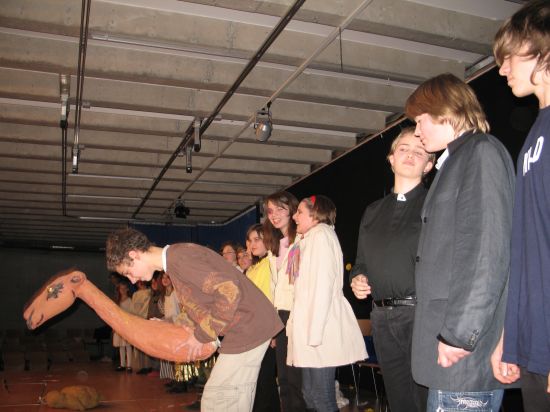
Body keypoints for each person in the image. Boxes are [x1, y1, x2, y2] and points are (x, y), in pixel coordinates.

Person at [23, 228, 284, 412]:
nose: (133, 280)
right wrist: (177, 325)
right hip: (246, 330)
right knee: (224, 399)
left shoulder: (182, 258)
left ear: (134, 255)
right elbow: (207, 302)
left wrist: (202, 335)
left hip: (249, 329)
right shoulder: (177, 264)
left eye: (128, 272)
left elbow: (229, 291)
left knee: (220, 400)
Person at [405, 73, 515, 411]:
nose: (417, 131)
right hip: (452, 354)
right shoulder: (458, 160)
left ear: (446, 111)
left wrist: (459, 334)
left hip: (463, 355)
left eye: (420, 120)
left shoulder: (480, 153)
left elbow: (486, 252)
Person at [491, 1, 550, 409]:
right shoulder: (534, 135)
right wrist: (508, 337)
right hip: (532, 340)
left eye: (508, 57)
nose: (501, 69)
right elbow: (527, 247)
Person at [350, 127, 434, 412]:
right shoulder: (372, 211)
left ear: (429, 165)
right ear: (391, 159)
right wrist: (357, 278)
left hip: (420, 316)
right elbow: (361, 261)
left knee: (426, 400)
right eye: (403, 149)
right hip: (382, 318)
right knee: (400, 403)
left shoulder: (435, 204)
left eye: (419, 151)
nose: (410, 154)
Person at [288, 195, 367, 412]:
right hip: (310, 329)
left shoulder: (321, 236)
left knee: (321, 397)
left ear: (315, 215)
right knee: (310, 395)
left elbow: (322, 287)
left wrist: (314, 334)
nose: (294, 217)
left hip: (319, 330)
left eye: (300, 212)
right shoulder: (308, 239)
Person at [262, 191, 307, 411]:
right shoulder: (275, 246)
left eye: (280, 209)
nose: (274, 215)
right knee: (284, 379)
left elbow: (302, 282)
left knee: (296, 380)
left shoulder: (302, 240)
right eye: (270, 211)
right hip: (280, 315)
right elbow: (274, 288)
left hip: (297, 314)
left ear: (292, 210)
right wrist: (273, 326)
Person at [245, 223, 280, 412]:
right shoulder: (253, 268)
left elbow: (272, 299)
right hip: (252, 331)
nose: (252, 244)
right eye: (250, 240)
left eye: (257, 239)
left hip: (265, 330)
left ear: (268, 239)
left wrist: (273, 332)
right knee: (258, 382)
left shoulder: (271, 263)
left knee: (265, 381)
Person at [113, 280, 134, 372]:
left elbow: (131, 313)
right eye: (121, 288)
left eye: (124, 288)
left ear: (127, 289)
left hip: (127, 325)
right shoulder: (117, 301)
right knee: (121, 345)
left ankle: (129, 365)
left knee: (127, 345)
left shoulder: (129, 300)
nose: (123, 290)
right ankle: (122, 364)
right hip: (119, 325)